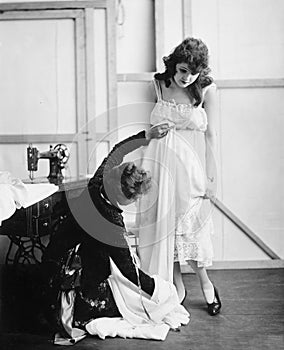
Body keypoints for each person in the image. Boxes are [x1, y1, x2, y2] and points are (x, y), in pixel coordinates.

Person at [41, 127, 189, 344]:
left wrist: (147, 135)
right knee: (124, 301)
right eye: (134, 198)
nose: (136, 202)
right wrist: (161, 291)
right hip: (70, 277)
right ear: (121, 196)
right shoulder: (111, 223)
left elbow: (118, 150)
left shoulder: (99, 181)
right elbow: (130, 272)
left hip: (56, 255)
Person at [136, 37, 222, 316]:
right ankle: (176, 285)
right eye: (183, 70)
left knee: (190, 226)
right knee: (165, 227)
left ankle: (206, 283)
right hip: (158, 163)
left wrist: (212, 178)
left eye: (193, 73)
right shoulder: (158, 85)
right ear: (175, 63)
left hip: (190, 165)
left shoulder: (206, 90)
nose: (187, 78)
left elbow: (210, 137)